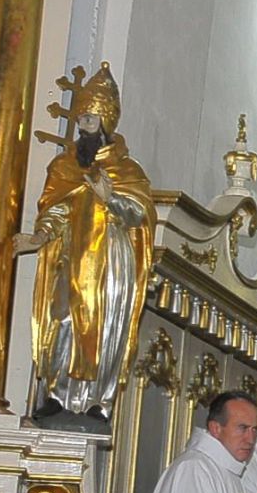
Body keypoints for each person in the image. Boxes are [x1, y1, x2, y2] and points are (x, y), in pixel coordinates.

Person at [19, 61, 155, 426]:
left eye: (91, 119)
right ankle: (55, 394)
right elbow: (56, 207)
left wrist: (111, 198)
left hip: (111, 260)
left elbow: (140, 214)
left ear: (106, 122)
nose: (83, 125)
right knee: (63, 317)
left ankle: (99, 401)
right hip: (73, 254)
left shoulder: (128, 170)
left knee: (106, 325)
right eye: (81, 119)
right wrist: (39, 236)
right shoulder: (65, 166)